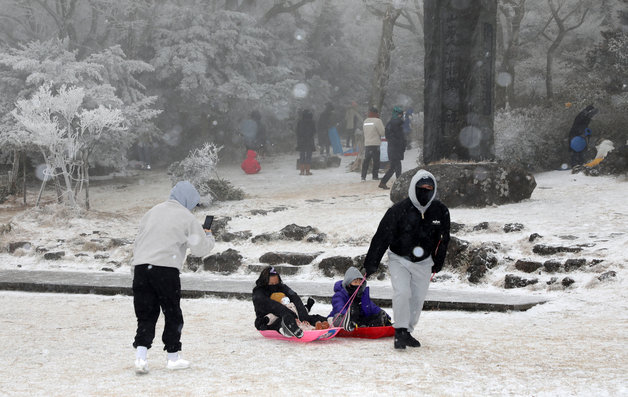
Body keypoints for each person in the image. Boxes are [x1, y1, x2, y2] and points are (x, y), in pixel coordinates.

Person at [131, 181, 215, 373]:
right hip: (166, 270)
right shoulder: (186, 217)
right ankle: (172, 357)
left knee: (145, 314)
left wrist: (135, 269)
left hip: (142, 268)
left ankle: (141, 358)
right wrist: (208, 236)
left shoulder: (152, 212)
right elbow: (200, 248)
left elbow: (138, 242)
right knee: (172, 313)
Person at [363, 170, 450, 350]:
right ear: (413, 188)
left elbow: (443, 238)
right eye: (421, 188)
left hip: (425, 262)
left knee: (417, 298)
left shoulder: (440, 211)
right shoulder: (398, 210)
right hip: (399, 258)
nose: (425, 191)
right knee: (402, 292)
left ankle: (408, 330)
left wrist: (438, 260)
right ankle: (400, 331)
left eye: (429, 188)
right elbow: (381, 237)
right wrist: (371, 263)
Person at [252, 266, 329, 338]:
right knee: (284, 320)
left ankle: (329, 321)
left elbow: (294, 297)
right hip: (268, 321)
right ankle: (289, 329)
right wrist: (292, 315)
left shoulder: (281, 287)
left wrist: (302, 314)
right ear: (265, 283)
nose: (274, 286)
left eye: (276, 283)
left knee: (306, 318)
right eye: (271, 284)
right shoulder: (259, 293)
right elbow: (273, 306)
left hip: (289, 313)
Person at [378, 106, 406, 190]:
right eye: (401, 115)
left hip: (392, 147)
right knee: (397, 167)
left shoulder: (390, 123)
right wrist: (402, 145)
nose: (402, 116)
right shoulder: (396, 123)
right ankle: (399, 184)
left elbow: (390, 136)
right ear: (399, 115)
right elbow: (400, 137)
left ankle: (383, 183)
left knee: (393, 167)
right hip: (395, 148)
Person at [361, 107, 386, 181]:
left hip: (367, 143)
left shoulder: (365, 121)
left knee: (366, 160)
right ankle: (375, 176)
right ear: (376, 113)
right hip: (375, 144)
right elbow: (382, 132)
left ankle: (363, 176)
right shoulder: (378, 121)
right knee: (376, 161)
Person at [296, 109, 317, 176]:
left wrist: (301, 138)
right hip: (309, 141)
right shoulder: (312, 122)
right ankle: (308, 171)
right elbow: (314, 131)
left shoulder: (300, 122)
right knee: (308, 156)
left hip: (301, 142)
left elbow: (297, 131)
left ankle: (302, 171)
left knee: (302, 156)